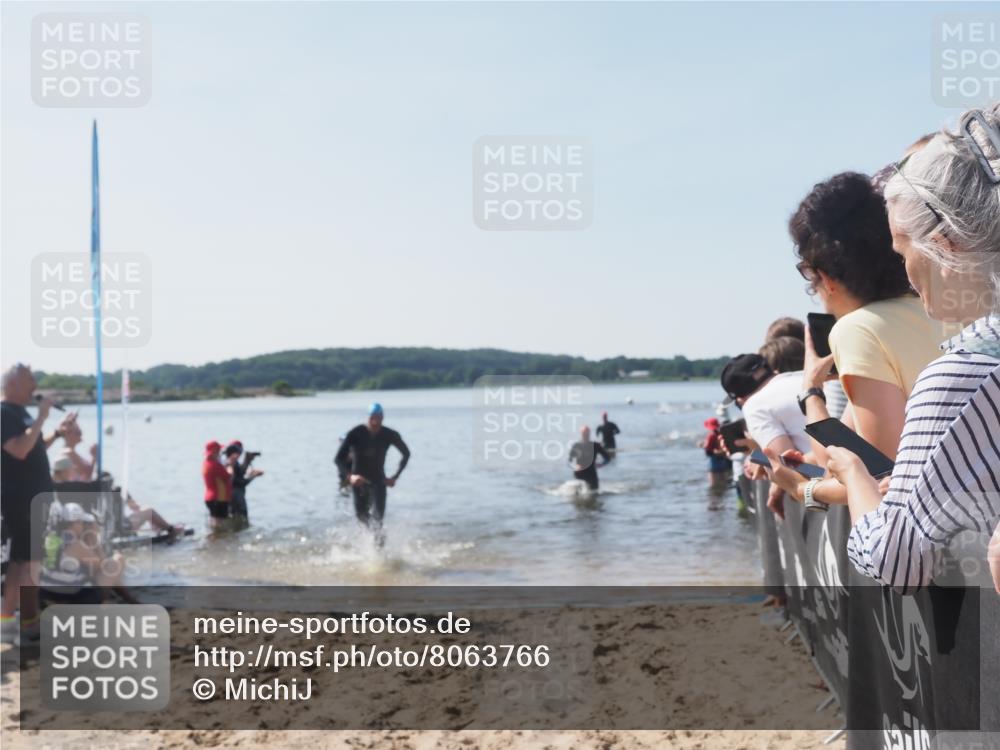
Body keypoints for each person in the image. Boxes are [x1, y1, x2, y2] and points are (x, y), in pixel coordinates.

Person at [820, 105, 1000, 592]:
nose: (905, 273)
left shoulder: (966, 373)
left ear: (948, 245)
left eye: (904, 251)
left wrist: (854, 473)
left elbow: (897, 560)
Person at [1, 364, 73, 643]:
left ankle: (17, 622)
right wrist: (42, 417)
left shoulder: (20, 413)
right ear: (13, 384)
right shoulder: (4, 412)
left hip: (34, 497)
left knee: (28, 561)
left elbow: (31, 447)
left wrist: (55, 432)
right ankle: (15, 623)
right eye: (30, 379)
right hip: (20, 498)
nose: (35, 385)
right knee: (24, 562)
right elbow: (18, 450)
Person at [720, 352, 811, 520]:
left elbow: (791, 469)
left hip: (840, 484)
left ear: (739, 400)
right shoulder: (806, 376)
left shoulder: (754, 406)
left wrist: (758, 456)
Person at [334, 403, 410, 544]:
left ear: (382, 418)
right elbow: (338, 459)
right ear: (368, 418)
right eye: (372, 418)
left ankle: (379, 556)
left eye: (379, 419)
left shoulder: (389, 434)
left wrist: (395, 477)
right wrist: (350, 477)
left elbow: (406, 454)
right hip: (359, 482)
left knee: (378, 519)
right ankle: (371, 547)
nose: (375, 422)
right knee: (362, 518)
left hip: (378, 481)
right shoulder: (356, 433)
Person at [223, 441, 263, 526]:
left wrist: (247, 461)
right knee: (242, 520)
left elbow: (240, 472)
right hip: (236, 496)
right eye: (239, 453)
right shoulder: (230, 464)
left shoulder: (231, 462)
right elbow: (239, 483)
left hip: (232, 496)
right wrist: (253, 476)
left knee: (235, 520)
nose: (239, 455)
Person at [51, 416, 96, 482]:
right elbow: (87, 474)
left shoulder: (70, 452)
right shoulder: (68, 452)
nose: (81, 434)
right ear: (68, 434)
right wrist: (94, 457)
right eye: (78, 432)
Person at [568, 425, 610, 492]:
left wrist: (601, 464)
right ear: (581, 434)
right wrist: (575, 466)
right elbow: (570, 461)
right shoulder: (576, 446)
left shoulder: (595, 445)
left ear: (589, 434)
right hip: (579, 473)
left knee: (594, 493)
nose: (585, 436)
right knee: (579, 497)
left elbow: (608, 458)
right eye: (584, 434)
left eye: (587, 434)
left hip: (591, 473)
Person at [202, 440, 233, 526]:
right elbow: (228, 476)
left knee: (215, 523)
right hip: (219, 498)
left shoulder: (205, 464)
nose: (220, 454)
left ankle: (216, 538)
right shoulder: (215, 465)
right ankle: (220, 538)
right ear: (214, 452)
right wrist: (230, 465)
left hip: (210, 498)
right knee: (222, 524)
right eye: (219, 451)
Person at [699, 417, 730, 492]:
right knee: (724, 484)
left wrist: (702, 445)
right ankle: (723, 502)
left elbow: (708, 451)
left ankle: (716, 502)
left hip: (713, 462)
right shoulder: (720, 434)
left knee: (713, 486)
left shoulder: (711, 435)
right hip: (723, 461)